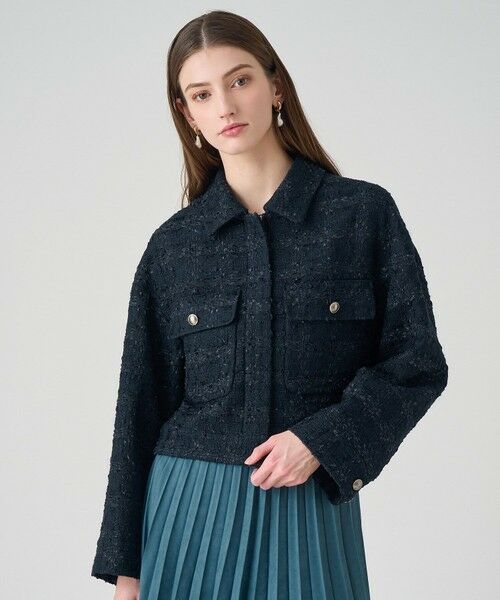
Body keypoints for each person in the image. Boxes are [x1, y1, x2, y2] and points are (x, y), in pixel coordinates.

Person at [91, 9, 448, 600]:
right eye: (202, 94)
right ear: (188, 114)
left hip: (308, 507)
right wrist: (127, 573)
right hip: (185, 514)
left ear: (275, 85)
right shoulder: (172, 247)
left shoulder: (361, 216)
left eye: (240, 80)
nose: (226, 106)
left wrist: (321, 440)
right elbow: (139, 409)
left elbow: (417, 364)